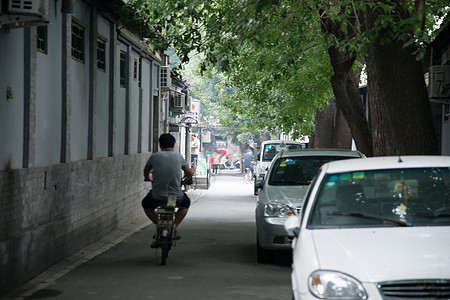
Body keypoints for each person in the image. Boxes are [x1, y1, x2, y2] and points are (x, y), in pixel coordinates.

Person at [142, 133, 193, 246]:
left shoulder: (154, 156)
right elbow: (189, 173)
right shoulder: (178, 157)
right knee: (185, 205)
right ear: (173, 145)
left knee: (146, 204)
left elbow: (146, 171)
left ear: (160, 144)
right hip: (175, 198)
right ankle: (173, 228)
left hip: (157, 197)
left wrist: (148, 178)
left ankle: (158, 225)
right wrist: (188, 180)